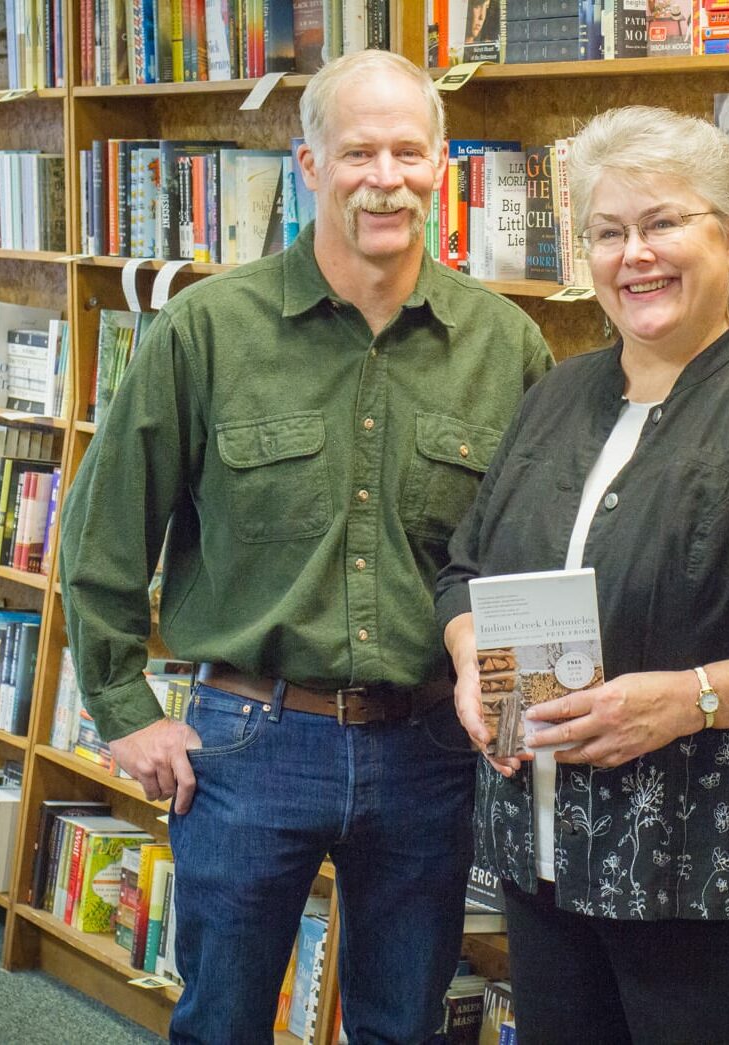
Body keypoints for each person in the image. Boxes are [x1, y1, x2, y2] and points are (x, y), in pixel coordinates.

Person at [59, 50, 554, 1045]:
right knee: (223, 1022)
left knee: (401, 1026)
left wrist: (523, 706)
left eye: (409, 153)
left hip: (429, 753)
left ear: (441, 166)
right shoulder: (207, 329)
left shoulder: (508, 349)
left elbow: (524, 557)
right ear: (310, 165)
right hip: (249, 743)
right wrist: (122, 708)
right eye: (358, 151)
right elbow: (106, 526)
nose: (386, 176)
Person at [435, 105, 729, 1044]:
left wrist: (690, 699)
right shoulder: (555, 397)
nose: (635, 255)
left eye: (663, 223)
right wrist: (468, 660)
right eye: (609, 232)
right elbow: (465, 567)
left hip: (716, 879)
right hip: (546, 856)